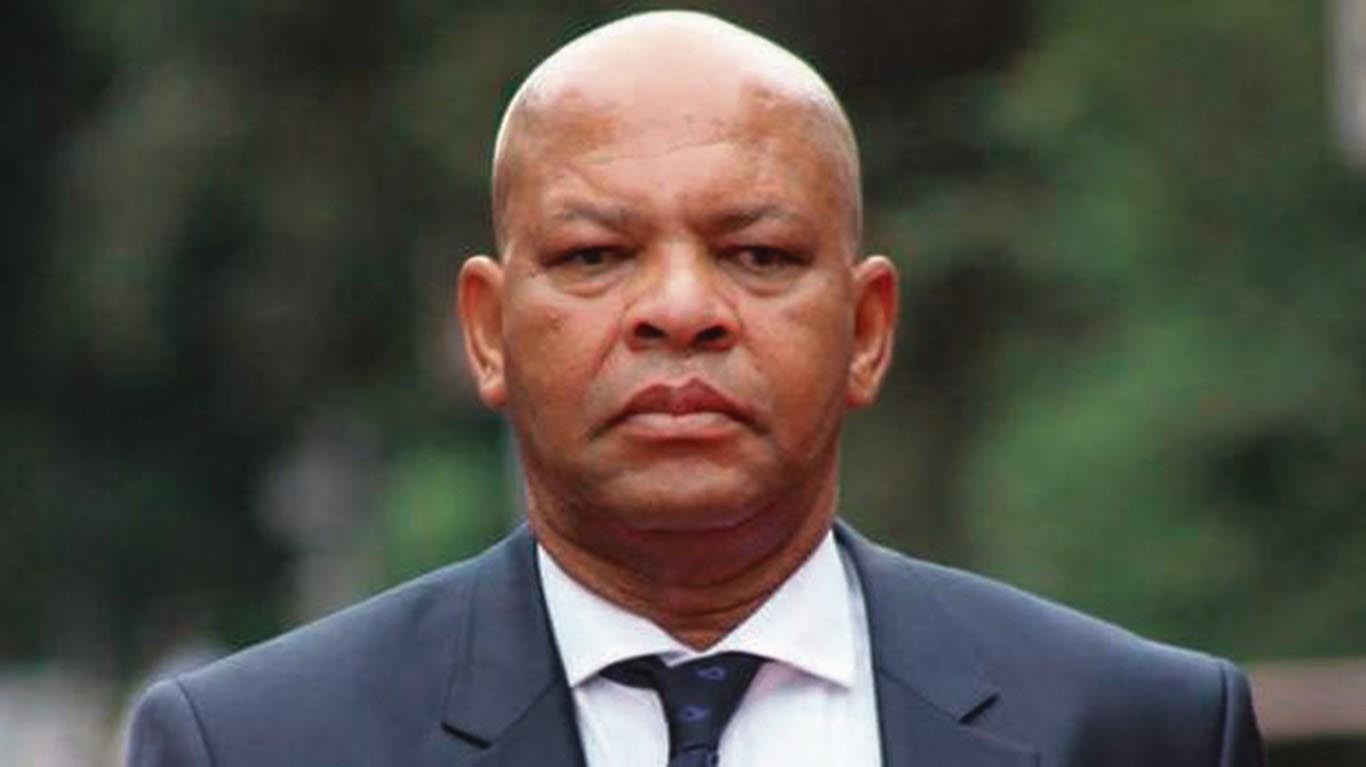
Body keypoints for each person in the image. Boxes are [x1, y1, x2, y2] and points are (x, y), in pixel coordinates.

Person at [127, 11, 1265, 767]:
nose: (680, 309)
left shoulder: (1140, 728)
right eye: (595, 255)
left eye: (758, 253)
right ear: (487, 331)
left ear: (868, 330)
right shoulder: (257, 745)